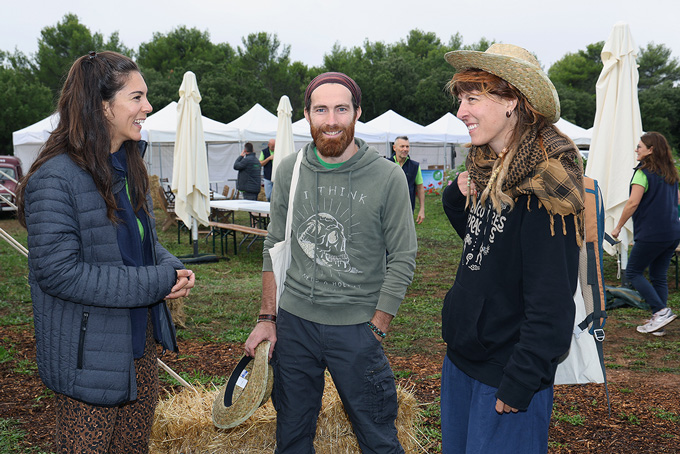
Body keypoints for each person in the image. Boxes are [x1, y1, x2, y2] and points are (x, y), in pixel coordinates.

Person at [16, 50, 195, 453]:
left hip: (139, 344)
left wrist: (171, 266)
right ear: (101, 105)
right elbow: (60, 273)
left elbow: (141, 238)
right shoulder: (55, 179)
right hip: (89, 357)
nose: (148, 107)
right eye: (137, 97)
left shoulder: (128, 166)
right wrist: (156, 280)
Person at [244, 72, 417, 453]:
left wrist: (378, 323)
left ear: (358, 113)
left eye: (342, 109)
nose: (332, 120)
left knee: (378, 438)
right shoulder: (289, 170)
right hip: (295, 328)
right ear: (307, 115)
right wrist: (267, 318)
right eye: (321, 109)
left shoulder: (388, 176)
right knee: (291, 436)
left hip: (357, 329)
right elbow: (275, 243)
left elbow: (404, 255)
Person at [440, 44, 585, 453]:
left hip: (506, 375)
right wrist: (456, 198)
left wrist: (521, 380)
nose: (461, 112)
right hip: (464, 360)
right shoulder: (491, 169)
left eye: (472, 99)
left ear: (512, 102)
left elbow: (552, 303)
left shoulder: (544, 186)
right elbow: (485, 248)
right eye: (461, 99)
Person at [612, 132, 680, 336]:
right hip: (672, 232)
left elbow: (633, 203)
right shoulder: (671, 173)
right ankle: (660, 321)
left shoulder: (643, 173)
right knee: (658, 275)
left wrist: (617, 227)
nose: (636, 149)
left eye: (640, 146)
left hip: (652, 233)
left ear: (651, 150)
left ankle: (660, 310)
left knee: (633, 272)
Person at [390, 136, 425, 224]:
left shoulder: (415, 166)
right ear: (394, 148)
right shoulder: (386, 164)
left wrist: (422, 209)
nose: (405, 149)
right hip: (388, 209)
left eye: (407, 146)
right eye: (402, 146)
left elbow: (420, 188)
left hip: (408, 209)